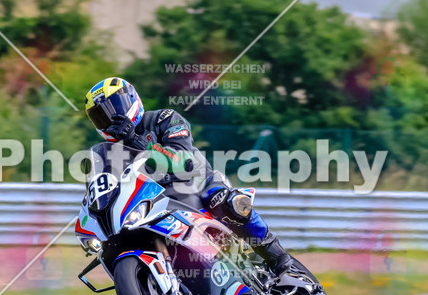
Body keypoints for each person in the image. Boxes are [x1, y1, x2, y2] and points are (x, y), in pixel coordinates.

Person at [84, 76, 307, 280]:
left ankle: (272, 251)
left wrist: (135, 140)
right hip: (153, 202)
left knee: (224, 201)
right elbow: (102, 188)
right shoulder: (109, 153)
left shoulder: (164, 118)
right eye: (101, 116)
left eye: (115, 109)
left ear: (132, 100)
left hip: (197, 185)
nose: (111, 119)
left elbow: (183, 162)